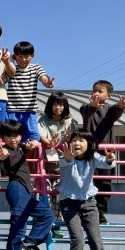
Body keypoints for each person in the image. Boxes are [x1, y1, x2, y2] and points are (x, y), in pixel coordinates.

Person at [58, 129, 116, 250]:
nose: (77, 143)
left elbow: (107, 164)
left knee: (97, 243)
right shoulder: (66, 155)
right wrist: (67, 157)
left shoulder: (92, 157)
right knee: (78, 240)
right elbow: (64, 162)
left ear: (89, 144)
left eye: (81, 140)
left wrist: (109, 159)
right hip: (69, 203)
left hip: (89, 203)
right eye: (74, 139)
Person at [0, 120, 53, 250]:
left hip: (26, 191)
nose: (12, 139)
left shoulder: (20, 147)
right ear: (3, 137)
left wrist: (31, 145)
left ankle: (29, 243)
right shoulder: (5, 150)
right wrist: (2, 157)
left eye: (16, 135)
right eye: (8, 136)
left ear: (20, 136)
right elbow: (4, 161)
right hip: (17, 188)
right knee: (18, 226)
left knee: (47, 214)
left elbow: (33, 143)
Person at [80, 80, 125, 225]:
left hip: (106, 154)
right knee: (87, 181)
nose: (96, 93)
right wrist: (92, 107)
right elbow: (86, 114)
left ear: (108, 95)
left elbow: (116, 111)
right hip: (88, 153)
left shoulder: (109, 109)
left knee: (105, 183)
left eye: (100, 91)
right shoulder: (85, 107)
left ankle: (100, 212)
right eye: (94, 90)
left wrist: (121, 106)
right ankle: (86, 211)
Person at [38, 91, 77, 237]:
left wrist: (67, 139)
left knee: (60, 195)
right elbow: (41, 136)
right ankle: (48, 223)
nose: (58, 107)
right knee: (47, 195)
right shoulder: (43, 119)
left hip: (63, 164)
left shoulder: (69, 121)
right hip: (46, 163)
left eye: (61, 104)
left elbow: (73, 140)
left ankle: (57, 226)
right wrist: (50, 143)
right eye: (55, 104)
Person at [6, 41, 55, 144]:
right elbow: (2, 80)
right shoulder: (11, 70)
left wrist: (47, 82)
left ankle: (28, 153)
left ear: (32, 56)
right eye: (20, 56)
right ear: (14, 57)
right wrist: (8, 60)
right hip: (12, 110)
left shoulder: (36, 68)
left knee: (33, 137)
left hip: (30, 111)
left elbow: (43, 78)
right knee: (11, 136)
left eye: (26, 56)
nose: (23, 59)